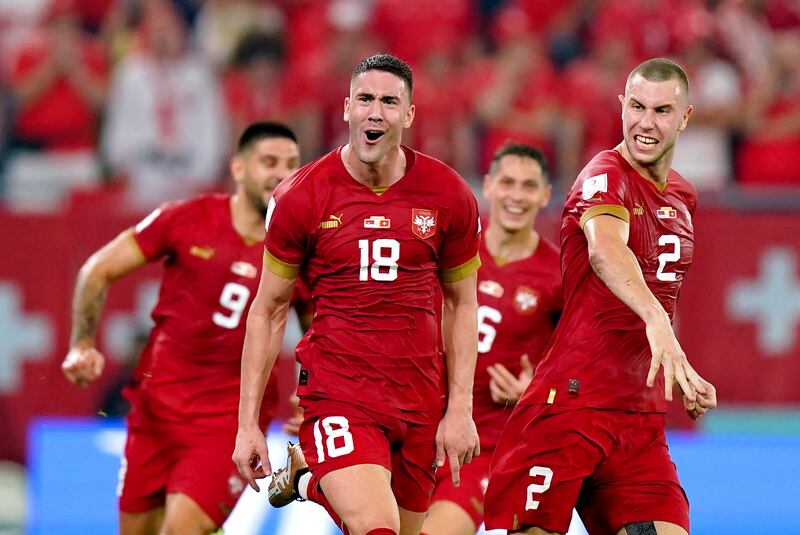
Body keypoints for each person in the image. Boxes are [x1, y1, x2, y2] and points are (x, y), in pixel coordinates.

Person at [232, 53, 482, 535]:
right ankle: (318, 469)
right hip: (339, 394)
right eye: (365, 99)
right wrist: (247, 425)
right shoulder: (301, 197)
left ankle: (309, 477)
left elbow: (461, 302)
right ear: (346, 107)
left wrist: (459, 409)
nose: (375, 112)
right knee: (376, 526)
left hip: (418, 400)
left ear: (409, 115)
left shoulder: (448, 194)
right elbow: (267, 310)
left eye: (390, 102)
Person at [484, 58, 718, 535]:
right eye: (636, 107)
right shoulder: (605, 174)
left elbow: (655, 297)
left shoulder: (682, 197)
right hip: (570, 405)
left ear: (686, 117)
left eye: (661, 111)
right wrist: (657, 322)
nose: (645, 123)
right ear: (621, 106)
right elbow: (605, 250)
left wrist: (681, 368)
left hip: (639, 418)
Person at [61, 122, 301, 535]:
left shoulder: (299, 250)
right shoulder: (187, 219)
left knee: (181, 529)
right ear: (239, 169)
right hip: (156, 413)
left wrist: (310, 398)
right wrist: (81, 343)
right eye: (269, 162)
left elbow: (322, 331)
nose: (281, 174)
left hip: (229, 423)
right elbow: (97, 271)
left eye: (292, 165)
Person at [421, 143, 562, 535]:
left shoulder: (557, 276)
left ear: (545, 194)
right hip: (418, 431)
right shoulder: (449, 252)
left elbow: (580, 363)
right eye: (508, 183)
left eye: (529, 186)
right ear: (488, 186)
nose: (517, 195)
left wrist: (536, 393)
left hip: (485, 447)